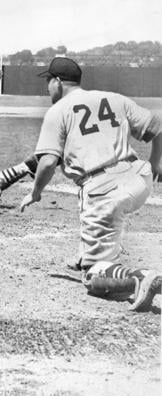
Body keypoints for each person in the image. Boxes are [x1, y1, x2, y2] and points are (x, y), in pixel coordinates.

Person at [19, 56, 162, 312]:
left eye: (49, 81)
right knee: (108, 215)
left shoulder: (58, 111)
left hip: (104, 190)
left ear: (59, 82)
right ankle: (96, 250)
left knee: (93, 275)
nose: (47, 87)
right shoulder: (114, 98)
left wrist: (36, 192)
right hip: (139, 178)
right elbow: (157, 125)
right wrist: (155, 162)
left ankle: (140, 276)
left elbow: (49, 162)